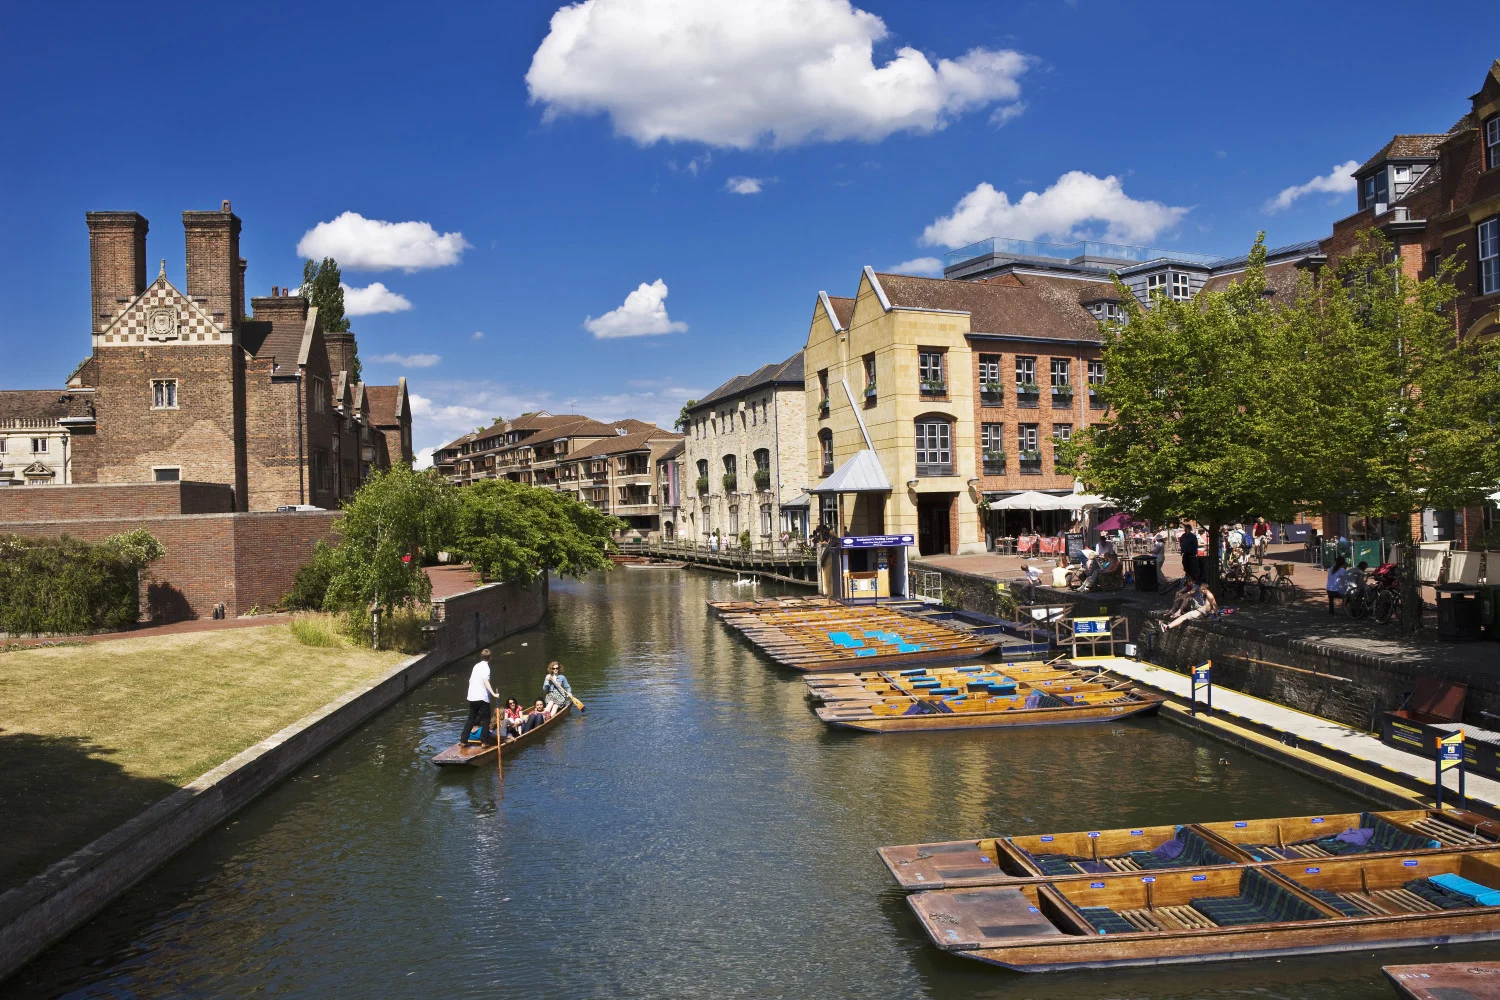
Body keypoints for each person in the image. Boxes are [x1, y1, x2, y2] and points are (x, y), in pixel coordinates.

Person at [460, 649, 497, 747]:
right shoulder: (486, 667)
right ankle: (484, 741)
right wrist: (493, 693)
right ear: (490, 658)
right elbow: (486, 681)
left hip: (472, 697)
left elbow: (470, 680)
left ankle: (463, 740)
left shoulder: (476, 666)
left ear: (481, 657)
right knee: (486, 719)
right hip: (482, 698)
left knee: (471, 718)